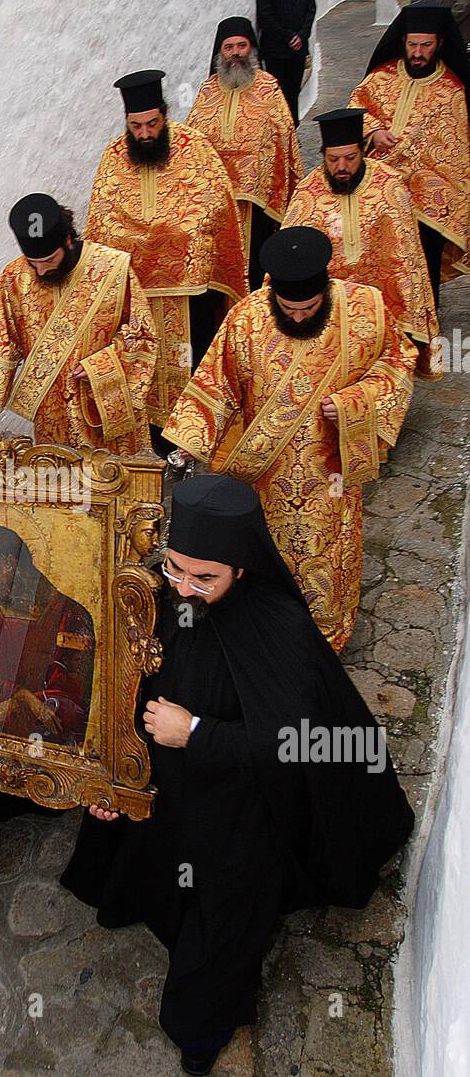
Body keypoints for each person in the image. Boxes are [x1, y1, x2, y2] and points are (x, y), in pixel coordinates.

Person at [61, 473, 414, 1075]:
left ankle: (203, 1023)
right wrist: (107, 780)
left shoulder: (278, 627)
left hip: (245, 802)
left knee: (225, 915)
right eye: (174, 569)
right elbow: (112, 692)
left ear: (242, 569)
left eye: (205, 578)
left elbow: (301, 743)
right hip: (163, 782)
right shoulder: (154, 597)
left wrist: (197, 732)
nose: (186, 589)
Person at [162, 228, 416, 652]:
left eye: (310, 308)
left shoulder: (366, 310)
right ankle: (265, 638)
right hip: (262, 478)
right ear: (272, 293)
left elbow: (397, 366)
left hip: (329, 475)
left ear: (326, 290)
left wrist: (357, 401)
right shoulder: (245, 319)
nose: (298, 317)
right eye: (288, 308)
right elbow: (216, 384)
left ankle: (323, 645)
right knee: (261, 560)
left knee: (324, 560)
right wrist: (188, 442)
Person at [85, 69, 246, 456]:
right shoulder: (113, 156)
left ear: (164, 114)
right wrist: (157, 235)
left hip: (190, 293)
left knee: (191, 359)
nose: (144, 134)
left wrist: (151, 234)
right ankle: (155, 440)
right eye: (135, 126)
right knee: (146, 363)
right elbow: (102, 218)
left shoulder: (195, 148)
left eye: (152, 123)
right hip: (137, 292)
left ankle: (195, 434)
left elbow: (211, 206)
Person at [0, 194, 156, 453]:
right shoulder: (15, 277)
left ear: (68, 241)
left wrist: (100, 365)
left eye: (48, 260)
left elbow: (142, 334)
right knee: (58, 478)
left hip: (102, 401)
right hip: (50, 408)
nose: (41, 271)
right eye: (33, 263)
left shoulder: (113, 268)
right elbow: (2, 338)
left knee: (113, 481)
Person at [283, 108, 439, 372]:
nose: (341, 167)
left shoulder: (389, 185)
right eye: (333, 159)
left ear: (362, 152)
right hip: (331, 306)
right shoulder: (307, 193)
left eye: (350, 158)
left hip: (384, 306)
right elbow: (291, 253)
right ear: (323, 156)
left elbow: (408, 256)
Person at [348, 2, 470, 304]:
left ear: (439, 43)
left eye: (425, 45)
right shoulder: (381, 77)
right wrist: (373, 131)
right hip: (380, 189)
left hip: (429, 204)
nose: (417, 52)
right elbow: (356, 107)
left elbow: (456, 153)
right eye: (412, 44)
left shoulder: (452, 90)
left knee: (424, 264)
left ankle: (425, 326)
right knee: (378, 255)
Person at [0, 526, 95, 745]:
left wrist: (22, 705)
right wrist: (19, 696)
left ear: (16, 561)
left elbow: (73, 697)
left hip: (52, 749)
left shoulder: (70, 614)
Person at [187, 16, 302, 290]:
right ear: (220, 52)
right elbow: (193, 141)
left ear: (251, 48)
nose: (235, 53)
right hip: (217, 201)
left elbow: (286, 138)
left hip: (258, 203)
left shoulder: (268, 87)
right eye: (228, 47)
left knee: (255, 266)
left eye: (241, 45)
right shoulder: (206, 91)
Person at [256, 0, 317, 124]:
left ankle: (292, 131)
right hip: (276, 51)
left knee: (293, 93)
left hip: (297, 52)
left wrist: (302, 35)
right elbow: (265, 16)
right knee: (277, 94)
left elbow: (311, 10)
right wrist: (289, 36)